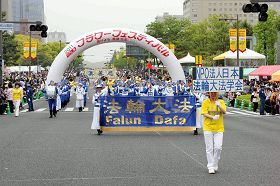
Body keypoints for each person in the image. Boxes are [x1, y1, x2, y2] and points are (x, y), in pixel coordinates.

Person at [201, 92, 226, 174]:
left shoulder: (221, 102)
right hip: (208, 127)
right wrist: (212, 117)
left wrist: (219, 106)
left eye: (215, 93)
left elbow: (224, 112)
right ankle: (210, 166)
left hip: (219, 128)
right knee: (209, 148)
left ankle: (215, 163)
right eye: (212, 93)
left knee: (218, 147)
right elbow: (204, 113)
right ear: (209, 93)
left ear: (218, 94)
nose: (213, 94)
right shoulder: (205, 102)